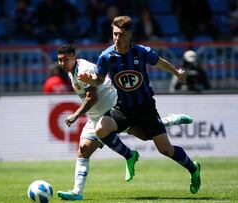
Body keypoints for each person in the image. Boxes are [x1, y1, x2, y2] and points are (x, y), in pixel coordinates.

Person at [78, 16, 201, 194]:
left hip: (145, 108)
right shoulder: (106, 56)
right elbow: (98, 80)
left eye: (121, 34)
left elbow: (160, 63)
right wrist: (91, 80)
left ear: (129, 34)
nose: (117, 38)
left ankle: (193, 168)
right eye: (114, 34)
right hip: (122, 108)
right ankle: (130, 155)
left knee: (165, 150)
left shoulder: (141, 52)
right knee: (100, 129)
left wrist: (177, 73)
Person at [56, 45, 194, 200]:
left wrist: (75, 115)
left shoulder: (84, 69)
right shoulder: (71, 71)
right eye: (60, 60)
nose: (62, 63)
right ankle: (77, 192)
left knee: (147, 137)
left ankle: (136, 149)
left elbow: (91, 97)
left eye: (65, 59)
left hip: (113, 110)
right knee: (84, 151)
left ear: (74, 57)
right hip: (96, 117)